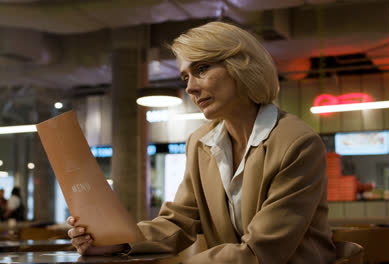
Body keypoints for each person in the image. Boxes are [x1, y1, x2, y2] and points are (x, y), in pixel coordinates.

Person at [67, 21, 335, 263]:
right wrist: (115, 242)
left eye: (202, 69)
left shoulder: (298, 143)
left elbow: (261, 251)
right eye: (186, 76)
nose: (190, 88)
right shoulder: (200, 142)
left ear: (241, 65)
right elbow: (178, 223)